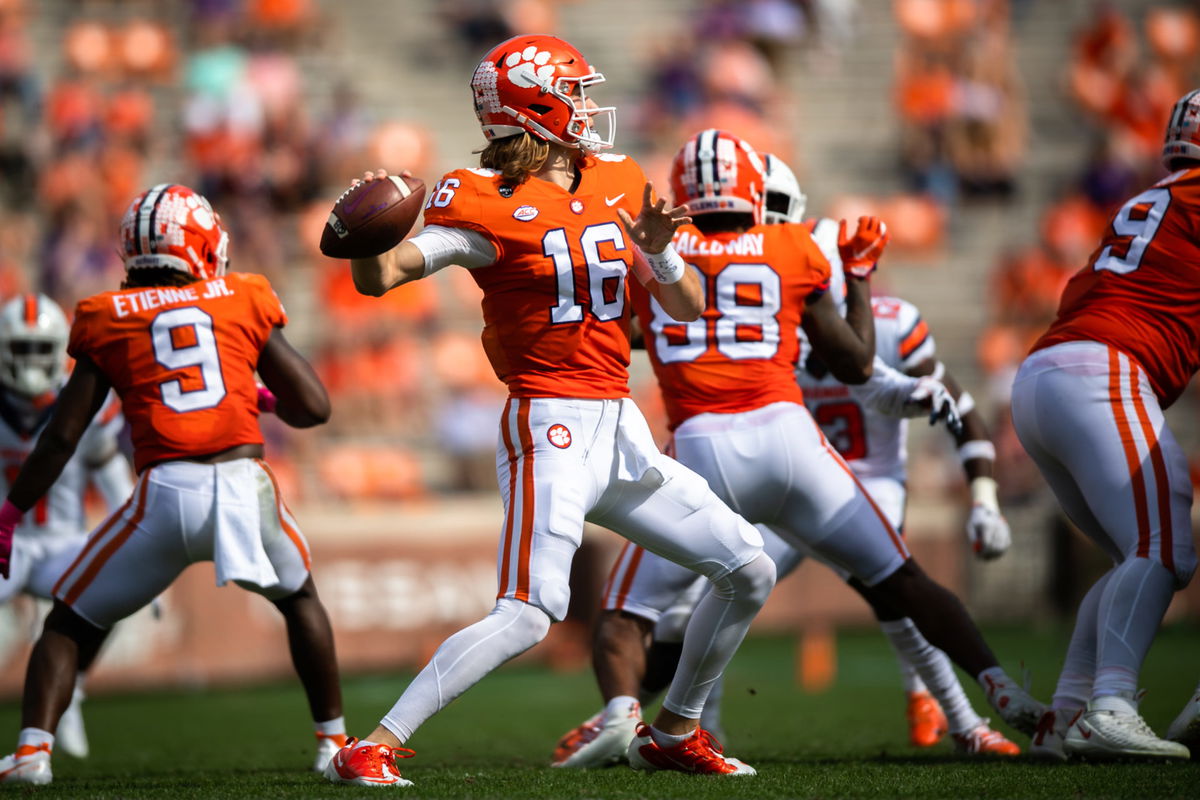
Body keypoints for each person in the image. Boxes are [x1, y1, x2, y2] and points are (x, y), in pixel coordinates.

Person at [322, 34, 777, 786]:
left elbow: (688, 305)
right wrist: (365, 240)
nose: (591, 107)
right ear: (532, 107)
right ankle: (371, 746)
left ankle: (674, 733)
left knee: (748, 567)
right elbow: (385, 278)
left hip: (620, 425)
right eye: (576, 93)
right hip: (550, 423)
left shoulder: (619, 177)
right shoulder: (480, 200)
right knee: (532, 611)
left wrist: (662, 255)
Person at [552, 130, 1043, 769]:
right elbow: (854, 363)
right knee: (905, 583)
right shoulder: (796, 246)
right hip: (792, 443)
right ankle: (1001, 694)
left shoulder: (651, 248)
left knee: (628, 611)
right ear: (754, 188)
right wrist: (860, 279)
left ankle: (621, 716)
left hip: (702, 445)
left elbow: (628, 331)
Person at [0, 184, 345, 785]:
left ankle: (32, 755)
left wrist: (10, 512)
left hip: (163, 496)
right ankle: (332, 744)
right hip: (245, 487)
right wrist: (260, 398)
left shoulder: (106, 315)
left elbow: (61, 438)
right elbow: (313, 407)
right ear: (204, 243)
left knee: (68, 623)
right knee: (299, 600)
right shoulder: (243, 295)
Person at [1010, 90, 1200, 760]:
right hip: (1105, 371)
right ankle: (1111, 706)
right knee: (1166, 548)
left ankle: (1064, 716)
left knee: (1134, 556)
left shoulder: (1150, 201)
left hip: (1047, 374)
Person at [0, 293, 135, 760]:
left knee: (117, 591)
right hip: (7, 542)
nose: (33, 361)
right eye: (21, 348)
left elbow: (108, 467)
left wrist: (135, 537)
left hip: (62, 541)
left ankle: (70, 687)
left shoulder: (86, 399)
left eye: (41, 349)